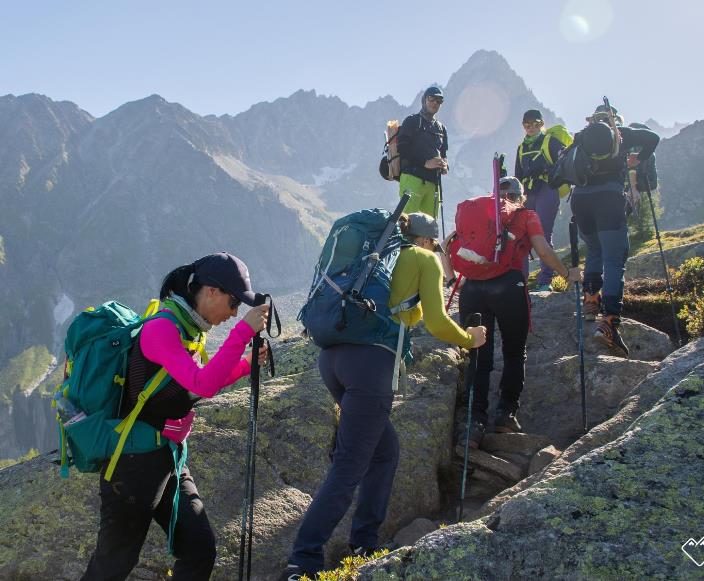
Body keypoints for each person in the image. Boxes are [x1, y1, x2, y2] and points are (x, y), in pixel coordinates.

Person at [281, 213, 487, 581]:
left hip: (332, 359)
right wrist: (471, 339)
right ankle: (303, 561)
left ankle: (363, 540)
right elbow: (437, 323)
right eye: (435, 245)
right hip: (371, 364)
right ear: (426, 241)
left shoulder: (370, 258)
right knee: (348, 465)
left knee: (384, 451)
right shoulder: (422, 260)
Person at [81, 252, 270, 581]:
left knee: (199, 550)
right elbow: (202, 383)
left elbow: (192, 382)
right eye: (232, 302)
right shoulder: (162, 329)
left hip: (168, 458)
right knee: (112, 566)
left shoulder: (189, 328)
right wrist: (241, 333)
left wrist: (245, 364)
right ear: (210, 291)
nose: (234, 312)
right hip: (134, 463)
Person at [455, 177, 581, 444]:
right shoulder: (526, 215)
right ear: (520, 196)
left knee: (478, 356)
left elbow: (449, 246)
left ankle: (474, 421)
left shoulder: (479, 213)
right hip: (508, 287)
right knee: (514, 352)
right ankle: (505, 413)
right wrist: (566, 273)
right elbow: (543, 251)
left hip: (472, 290)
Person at [570, 107, 660, 357]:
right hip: (609, 199)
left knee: (595, 249)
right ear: (613, 120)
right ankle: (609, 321)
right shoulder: (621, 134)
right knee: (614, 257)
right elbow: (654, 138)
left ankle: (590, 300)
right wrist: (638, 159)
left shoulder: (581, 137)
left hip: (580, 201)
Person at [514, 109, 567, 291]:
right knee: (522, 234)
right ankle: (522, 281)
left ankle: (545, 281)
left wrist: (547, 170)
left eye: (535, 124)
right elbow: (518, 175)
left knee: (543, 234)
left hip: (547, 190)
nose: (531, 128)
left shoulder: (550, 141)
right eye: (527, 125)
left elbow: (563, 161)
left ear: (541, 124)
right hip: (527, 194)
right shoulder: (522, 148)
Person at [397, 86, 448, 220]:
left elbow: (443, 153)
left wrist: (445, 165)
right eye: (432, 99)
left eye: (439, 101)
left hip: (433, 184)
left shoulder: (442, 128)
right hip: (412, 178)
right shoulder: (412, 121)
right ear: (424, 100)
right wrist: (425, 163)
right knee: (407, 224)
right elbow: (402, 148)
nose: (435, 103)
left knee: (430, 228)